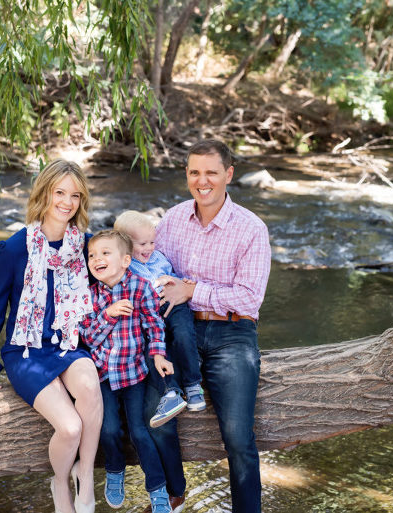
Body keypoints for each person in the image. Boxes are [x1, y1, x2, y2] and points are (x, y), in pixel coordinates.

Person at [0, 159, 103, 513]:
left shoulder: (86, 247)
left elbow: (119, 274)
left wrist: (163, 280)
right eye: (59, 192)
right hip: (26, 352)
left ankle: (85, 476)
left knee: (90, 382)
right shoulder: (15, 249)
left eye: (75, 196)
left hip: (68, 345)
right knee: (68, 428)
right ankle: (59, 482)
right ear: (44, 193)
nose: (67, 202)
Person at [147, 138, 271, 513]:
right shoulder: (171, 221)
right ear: (187, 174)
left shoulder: (250, 228)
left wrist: (192, 291)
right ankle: (173, 496)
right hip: (174, 328)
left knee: (237, 437)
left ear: (228, 175)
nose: (203, 181)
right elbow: (155, 277)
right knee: (157, 417)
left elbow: (248, 299)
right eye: (195, 172)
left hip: (231, 335)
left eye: (212, 173)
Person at [81, 230, 180, 513]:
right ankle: (115, 471)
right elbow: (87, 336)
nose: (96, 259)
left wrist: (158, 354)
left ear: (126, 260)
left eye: (104, 253)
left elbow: (154, 325)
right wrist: (108, 314)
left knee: (139, 431)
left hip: (134, 373)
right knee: (109, 429)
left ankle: (157, 488)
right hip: (103, 375)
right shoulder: (91, 295)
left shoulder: (140, 287)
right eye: (91, 255)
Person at [114, 210, 205, 417]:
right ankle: (170, 391)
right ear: (126, 245)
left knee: (184, 333)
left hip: (173, 305)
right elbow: (132, 295)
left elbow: (173, 277)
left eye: (151, 242)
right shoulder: (125, 268)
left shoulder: (159, 258)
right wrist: (157, 283)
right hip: (147, 314)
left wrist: (182, 283)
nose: (149, 249)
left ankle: (193, 385)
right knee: (154, 346)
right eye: (142, 244)